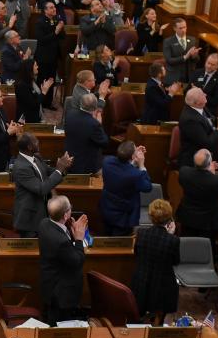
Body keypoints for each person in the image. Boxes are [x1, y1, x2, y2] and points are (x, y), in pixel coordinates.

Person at [38, 195, 88, 323]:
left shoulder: (44, 223)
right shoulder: (61, 242)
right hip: (61, 294)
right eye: (70, 208)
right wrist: (79, 239)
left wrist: (72, 232)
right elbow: (77, 261)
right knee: (60, 324)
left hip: (50, 284)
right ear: (65, 215)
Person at [11, 133, 72, 237]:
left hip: (42, 211)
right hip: (30, 218)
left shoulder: (36, 157)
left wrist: (64, 167)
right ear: (29, 147)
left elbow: (49, 172)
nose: (38, 143)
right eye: (36, 142)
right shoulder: (21, 167)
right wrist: (59, 169)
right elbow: (41, 189)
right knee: (33, 251)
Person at [177, 149, 218, 244]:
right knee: (206, 248)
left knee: (186, 245)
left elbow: (190, 173)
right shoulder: (217, 181)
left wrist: (206, 170)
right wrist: (211, 173)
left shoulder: (184, 173)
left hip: (187, 218)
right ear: (210, 163)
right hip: (208, 223)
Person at [98, 141, 151, 236]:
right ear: (132, 157)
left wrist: (133, 158)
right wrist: (141, 165)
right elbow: (147, 187)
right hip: (123, 217)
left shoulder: (107, 162)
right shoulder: (136, 175)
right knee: (119, 245)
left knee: (106, 239)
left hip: (107, 208)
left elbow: (124, 168)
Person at [177, 87, 218, 168]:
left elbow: (210, 121)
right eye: (202, 94)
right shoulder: (190, 120)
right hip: (196, 163)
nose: (205, 94)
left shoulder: (201, 107)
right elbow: (207, 144)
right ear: (197, 102)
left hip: (210, 155)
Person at [63, 93, 107, 175]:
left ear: (81, 103)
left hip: (69, 159)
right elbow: (104, 142)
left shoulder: (70, 114)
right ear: (95, 107)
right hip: (86, 166)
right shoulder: (94, 124)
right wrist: (99, 124)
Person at [162, 17, 201, 85]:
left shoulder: (192, 40)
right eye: (180, 28)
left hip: (188, 76)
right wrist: (185, 57)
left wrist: (194, 56)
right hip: (174, 76)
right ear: (174, 28)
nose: (183, 30)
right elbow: (169, 60)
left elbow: (197, 60)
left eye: (184, 27)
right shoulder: (168, 41)